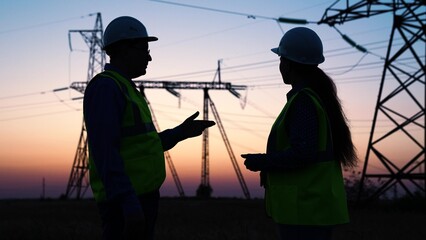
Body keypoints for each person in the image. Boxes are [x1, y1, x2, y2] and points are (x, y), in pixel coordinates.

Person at [83, 16, 215, 240]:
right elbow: (106, 153)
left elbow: (141, 146)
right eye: (145, 49)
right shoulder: (107, 88)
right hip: (124, 202)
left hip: (140, 199)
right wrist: (128, 203)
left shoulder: (126, 88)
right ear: (125, 49)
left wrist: (180, 133)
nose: (150, 57)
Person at [241, 27, 357, 240]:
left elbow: (303, 154)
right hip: (312, 207)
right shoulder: (316, 98)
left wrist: (263, 161)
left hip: (304, 209)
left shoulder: (304, 101)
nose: (280, 66)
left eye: (281, 60)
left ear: (288, 63)